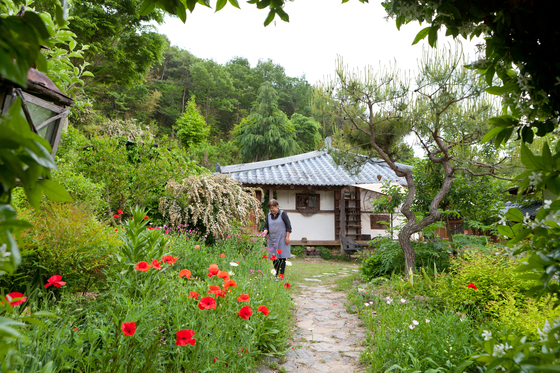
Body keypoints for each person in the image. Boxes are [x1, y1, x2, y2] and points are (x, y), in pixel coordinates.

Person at [262, 199, 292, 278]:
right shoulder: (268, 215)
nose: (272, 210)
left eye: (273, 208)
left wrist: (287, 237)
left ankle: (281, 274)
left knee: (282, 257)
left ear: (277, 206)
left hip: (282, 238)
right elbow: (266, 227)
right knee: (274, 257)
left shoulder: (283, 214)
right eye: (270, 208)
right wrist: (263, 234)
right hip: (272, 239)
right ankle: (276, 273)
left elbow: (288, 227)